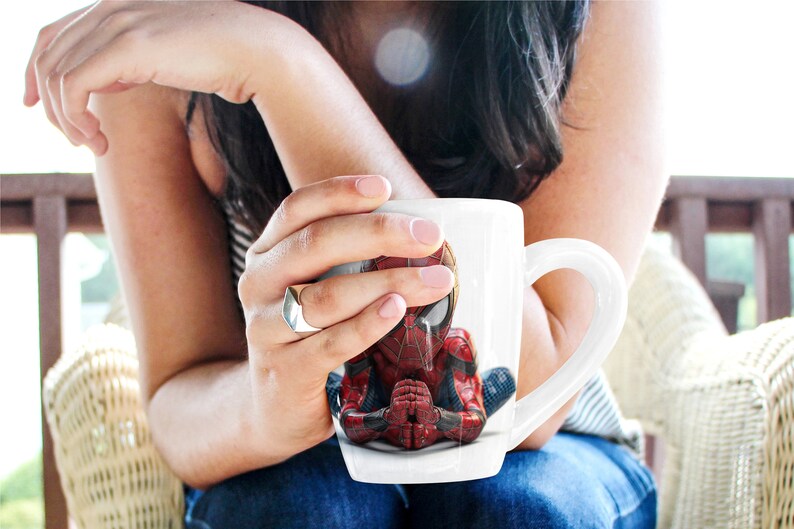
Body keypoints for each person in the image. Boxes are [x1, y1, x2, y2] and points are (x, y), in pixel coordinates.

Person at [24, 1, 666, 527]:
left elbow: (528, 404)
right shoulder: (159, 37)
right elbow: (178, 399)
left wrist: (281, 66)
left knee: (516, 508)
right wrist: (265, 405)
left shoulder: (599, 14)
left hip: (553, 447)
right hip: (283, 455)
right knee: (296, 510)